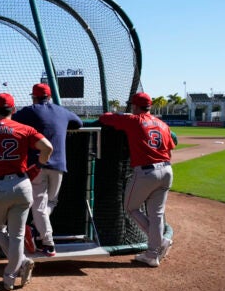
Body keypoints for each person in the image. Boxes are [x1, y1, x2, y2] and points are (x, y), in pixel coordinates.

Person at [0, 93, 53, 290]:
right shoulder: (24, 129)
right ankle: (10, 276)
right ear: (13, 110)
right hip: (23, 183)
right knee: (16, 235)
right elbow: (48, 147)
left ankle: (20, 265)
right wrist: (38, 166)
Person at [98, 92, 175, 267]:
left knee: (130, 207)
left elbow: (105, 118)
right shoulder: (162, 124)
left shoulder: (134, 120)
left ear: (135, 106)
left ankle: (159, 242)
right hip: (167, 170)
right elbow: (171, 147)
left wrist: (123, 115)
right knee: (156, 215)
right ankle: (152, 255)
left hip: (147, 172)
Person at [13, 83, 83, 256]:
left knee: (40, 206)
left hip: (38, 164)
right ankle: (36, 228)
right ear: (50, 97)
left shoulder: (29, 111)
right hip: (59, 165)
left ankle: (48, 243)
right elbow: (79, 123)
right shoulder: (61, 111)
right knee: (49, 203)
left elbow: (10, 120)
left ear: (34, 97)